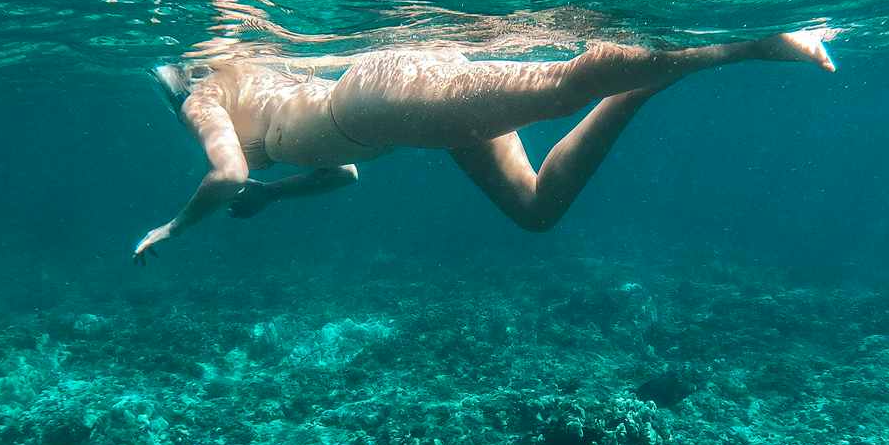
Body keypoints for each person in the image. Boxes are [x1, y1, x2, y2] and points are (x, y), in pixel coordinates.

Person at [133, 26, 836, 260]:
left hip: (378, 100)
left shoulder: (203, 96)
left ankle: (754, 43)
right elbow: (341, 174)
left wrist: (173, 225)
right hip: (394, 114)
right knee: (535, 209)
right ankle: (637, 85)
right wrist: (275, 198)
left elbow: (223, 175)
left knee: (565, 83)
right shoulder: (254, 90)